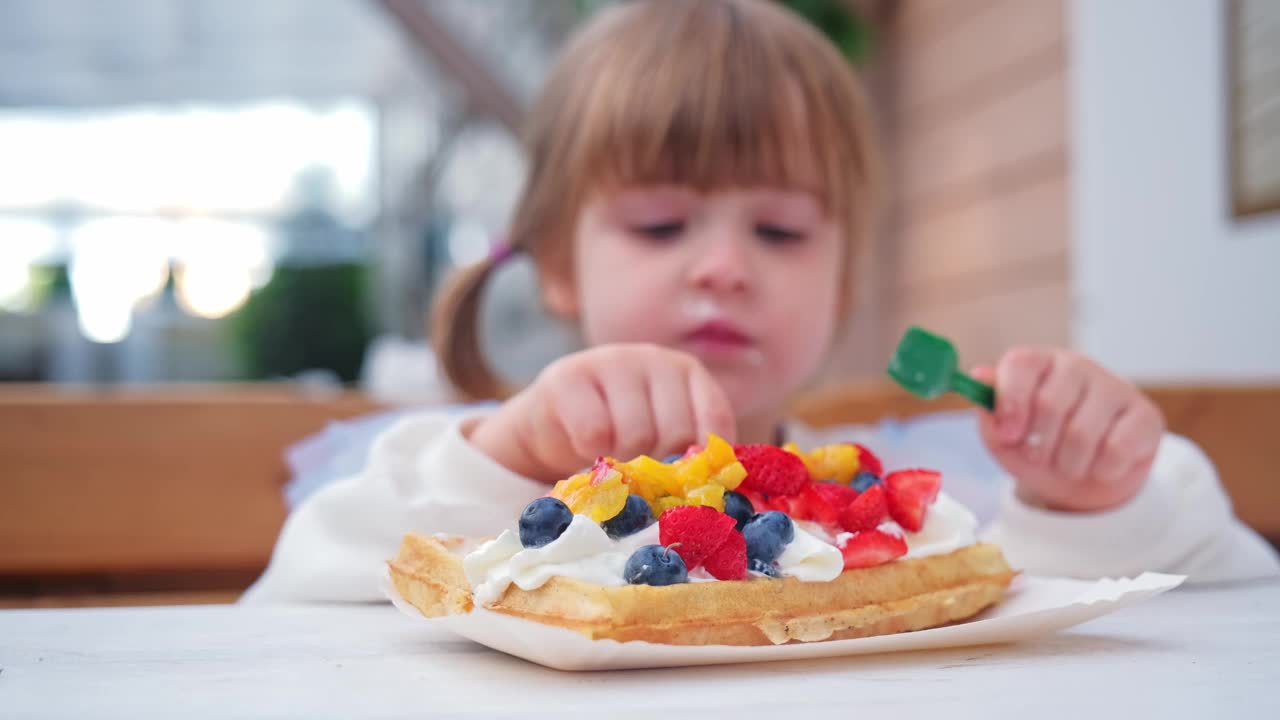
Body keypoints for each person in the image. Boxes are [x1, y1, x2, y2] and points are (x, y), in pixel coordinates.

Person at [241, 0, 1277, 603]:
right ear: (556, 261)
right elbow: (293, 616)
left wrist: (1094, 502)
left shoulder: (927, 499)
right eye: (658, 226)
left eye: (779, 231)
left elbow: (1229, 602)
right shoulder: (463, 472)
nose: (724, 267)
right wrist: (507, 461)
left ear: (844, 277)